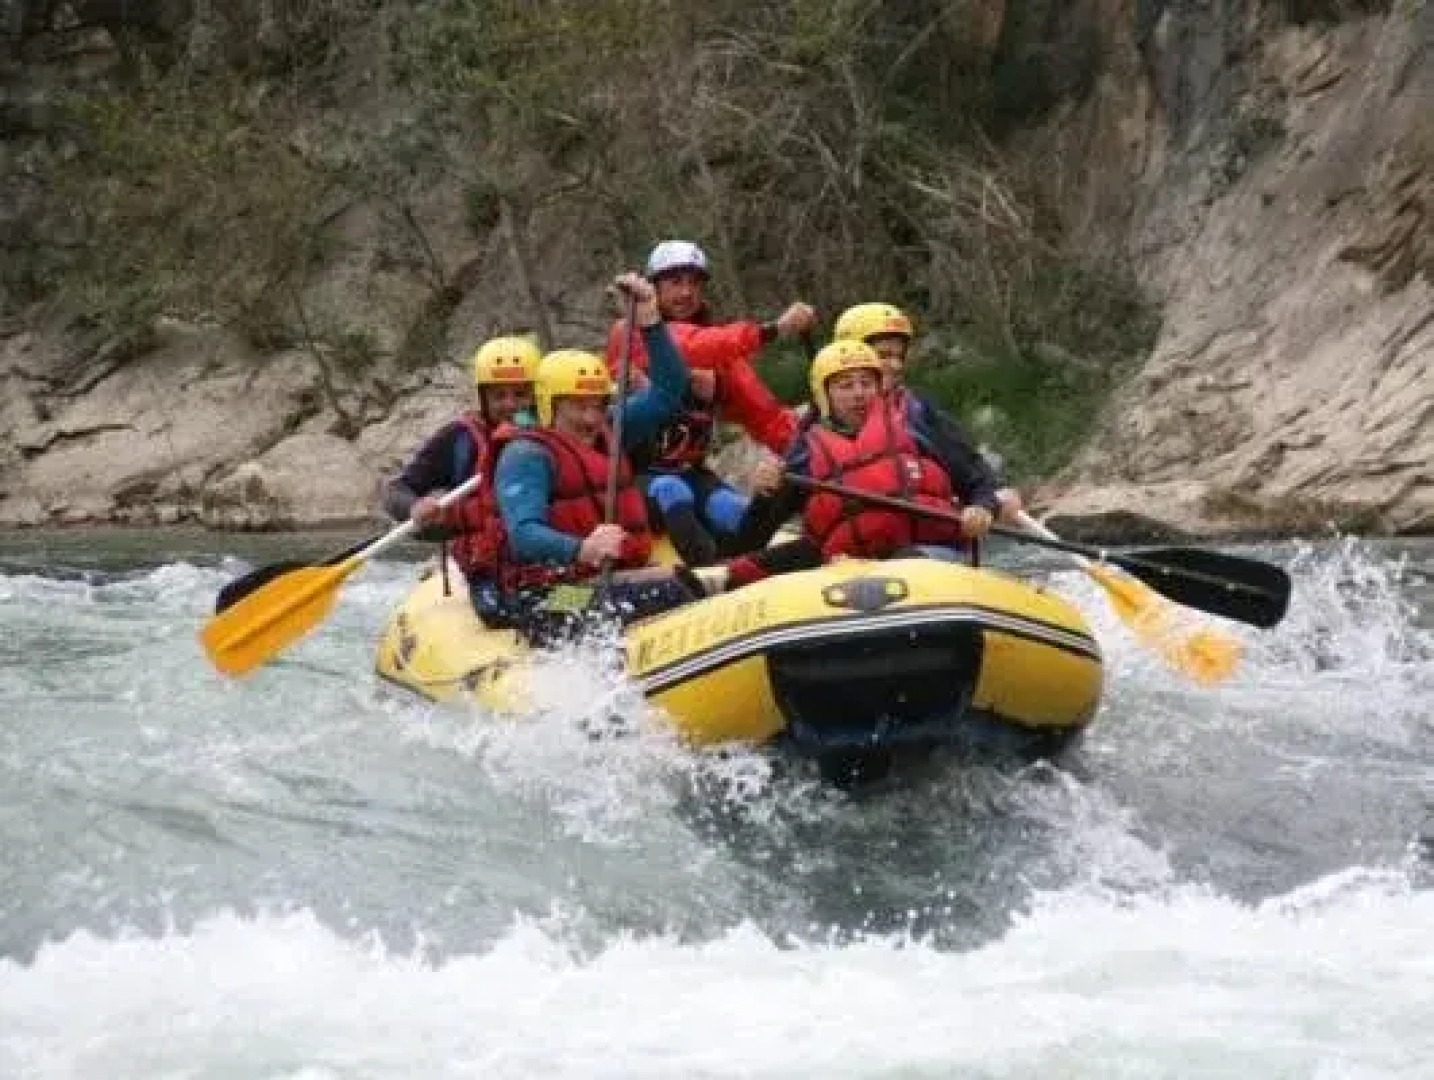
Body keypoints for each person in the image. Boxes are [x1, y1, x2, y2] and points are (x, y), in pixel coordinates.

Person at [682, 339, 1001, 595]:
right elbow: (749, 542)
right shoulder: (808, 453)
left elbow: (977, 480)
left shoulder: (915, 426)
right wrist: (766, 494)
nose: (859, 394)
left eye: (866, 383)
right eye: (845, 386)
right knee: (791, 556)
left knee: (900, 569)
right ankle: (707, 583)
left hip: (929, 556)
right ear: (825, 396)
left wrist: (983, 509)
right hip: (848, 570)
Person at [491, 272, 703, 643]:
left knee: (691, 584)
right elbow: (522, 534)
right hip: (546, 596)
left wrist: (649, 320)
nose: (591, 418)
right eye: (578, 406)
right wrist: (582, 548)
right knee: (669, 594)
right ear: (549, 404)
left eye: (597, 404)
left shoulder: (612, 428)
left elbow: (670, 392)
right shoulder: (525, 454)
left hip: (607, 578)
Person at [603, 239, 817, 566]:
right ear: (653, 288)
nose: (686, 292)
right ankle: (710, 574)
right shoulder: (630, 332)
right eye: (675, 282)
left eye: (694, 283)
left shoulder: (722, 359)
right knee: (672, 490)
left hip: (693, 475)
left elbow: (767, 418)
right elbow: (691, 345)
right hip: (637, 481)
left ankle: (742, 567)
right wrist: (776, 329)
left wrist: (815, 456)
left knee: (734, 510)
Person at [381, 334, 541, 604]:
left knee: (580, 599)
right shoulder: (459, 438)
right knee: (532, 603)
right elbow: (397, 489)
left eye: (521, 394)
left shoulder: (556, 433)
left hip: (546, 567)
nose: (511, 405)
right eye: (499, 396)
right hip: (487, 573)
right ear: (482, 398)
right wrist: (415, 507)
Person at [831, 302, 1024, 522]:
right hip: (850, 546)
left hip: (919, 543)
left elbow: (977, 480)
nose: (895, 365)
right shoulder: (816, 425)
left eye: (899, 356)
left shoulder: (918, 413)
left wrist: (987, 505)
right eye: (883, 355)